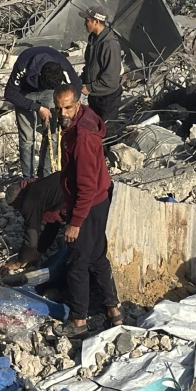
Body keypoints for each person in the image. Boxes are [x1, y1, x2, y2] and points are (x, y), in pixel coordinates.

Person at [54, 84, 122, 336]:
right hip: (99, 201)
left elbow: (85, 185)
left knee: (77, 264)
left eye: (68, 107)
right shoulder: (86, 121)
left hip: (88, 204)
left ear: (78, 105)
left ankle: (79, 321)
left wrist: (75, 222)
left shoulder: (81, 138)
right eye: (59, 108)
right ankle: (113, 311)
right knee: (96, 257)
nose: (63, 113)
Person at [5, 46, 78, 178]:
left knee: (52, 134)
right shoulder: (23, 64)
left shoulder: (62, 65)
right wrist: (37, 108)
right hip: (24, 92)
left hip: (50, 93)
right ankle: (28, 177)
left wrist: (66, 111)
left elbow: (76, 88)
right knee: (27, 138)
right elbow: (10, 93)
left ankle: (45, 175)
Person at [4, 172, 65, 270]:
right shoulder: (36, 184)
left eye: (17, 206)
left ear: (20, 199)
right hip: (76, 187)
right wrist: (39, 251)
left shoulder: (30, 201)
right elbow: (52, 224)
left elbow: (31, 234)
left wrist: (20, 261)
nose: (18, 209)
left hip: (84, 201)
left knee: (75, 252)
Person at [80, 6, 122, 123]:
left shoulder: (110, 45)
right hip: (95, 95)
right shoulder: (93, 40)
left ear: (96, 22)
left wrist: (90, 87)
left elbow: (111, 78)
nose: (85, 24)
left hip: (107, 99)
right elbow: (90, 66)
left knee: (107, 131)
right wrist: (82, 79)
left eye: (87, 21)